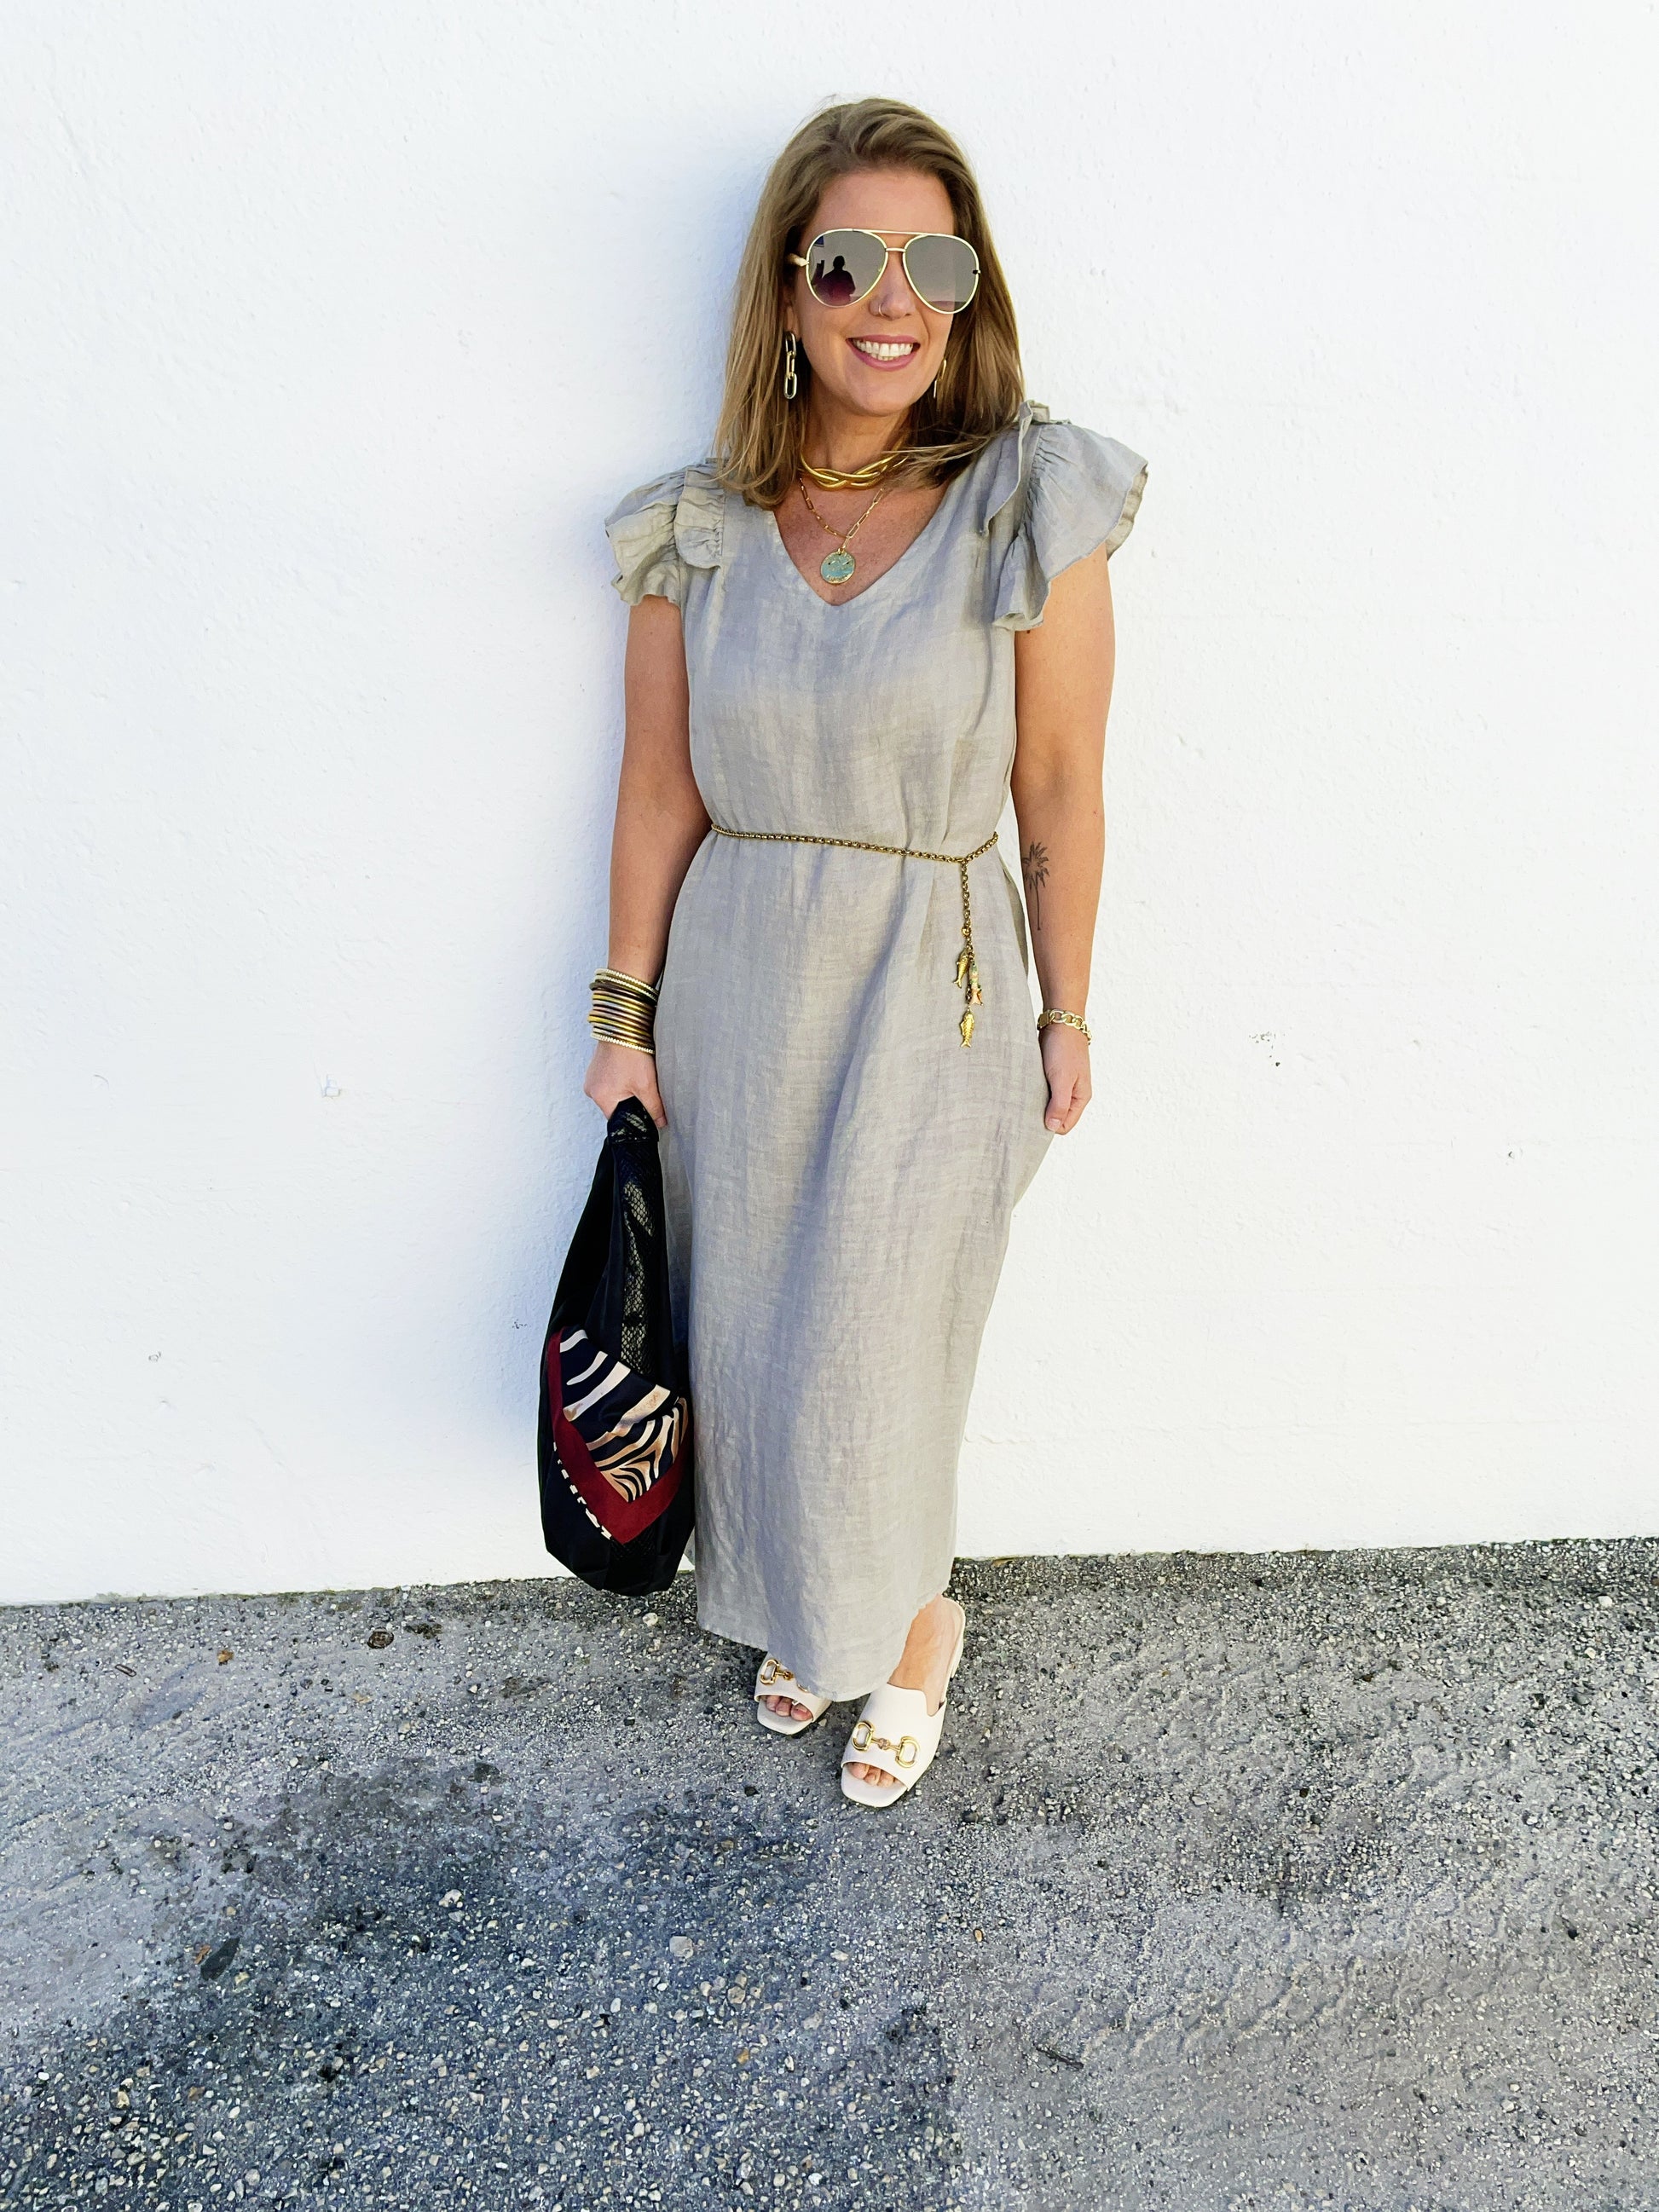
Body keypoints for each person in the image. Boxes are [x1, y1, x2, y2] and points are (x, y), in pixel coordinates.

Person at [583, 96, 1145, 1806]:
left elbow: (1059, 782)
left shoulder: (1024, 499)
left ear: (970, 295)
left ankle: (911, 1631)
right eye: (848, 261)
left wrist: (1069, 1008)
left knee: (878, 1346)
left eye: (934, 265)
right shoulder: (700, 527)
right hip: (743, 977)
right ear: (787, 289)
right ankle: (810, 1603)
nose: (891, 300)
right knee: (754, 1339)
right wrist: (624, 1015)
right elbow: (660, 789)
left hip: (936, 982)